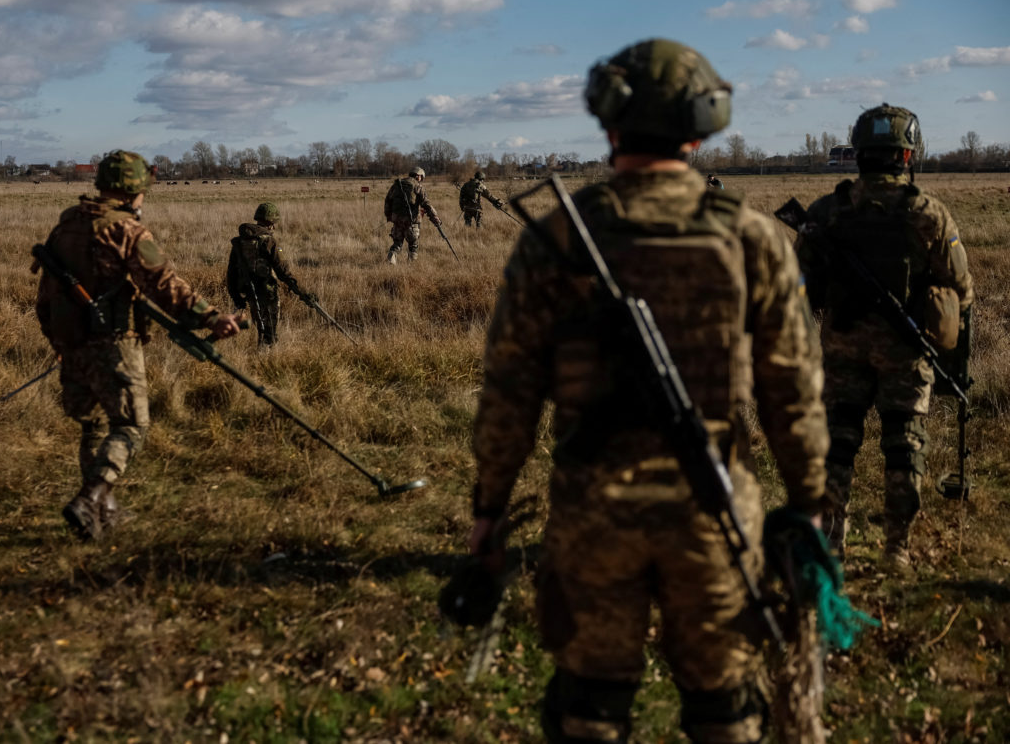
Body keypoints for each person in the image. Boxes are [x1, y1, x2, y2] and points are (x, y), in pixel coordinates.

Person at [467, 39, 828, 743]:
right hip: (715, 514)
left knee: (589, 708)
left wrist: (490, 507)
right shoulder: (751, 236)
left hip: (592, 515)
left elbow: (509, 390)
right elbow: (794, 387)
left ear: (609, 124)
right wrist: (808, 502)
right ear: (701, 130)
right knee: (726, 712)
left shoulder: (557, 236)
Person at [795, 104, 973, 568]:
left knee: (837, 445)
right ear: (908, 155)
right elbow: (961, 290)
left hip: (842, 348)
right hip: (906, 353)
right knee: (904, 445)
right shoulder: (929, 214)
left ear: (858, 152)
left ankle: (830, 543)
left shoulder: (826, 212)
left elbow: (799, 287)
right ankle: (897, 547)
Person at [33, 150, 241, 540]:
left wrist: (57, 341)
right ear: (133, 190)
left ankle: (100, 516)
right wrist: (212, 317)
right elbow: (163, 284)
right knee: (130, 425)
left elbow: (45, 295)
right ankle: (89, 499)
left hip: (72, 343)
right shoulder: (126, 230)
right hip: (113, 343)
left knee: (94, 427)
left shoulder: (67, 226)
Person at [227, 202, 308, 347]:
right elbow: (282, 270)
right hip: (267, 291)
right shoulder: (269, 241)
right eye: (274, 223)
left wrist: (235, 296)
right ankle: (267, 355)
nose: (274, 227)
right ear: (270, 222)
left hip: (249, 291)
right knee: (270, 331)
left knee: (261, 327)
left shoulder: (240, 242)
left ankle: (263, 351)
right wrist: (301, 291)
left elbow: (231, 272)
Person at [384, 166, 441, 263]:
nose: (421, 180)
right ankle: (412, 265)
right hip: (411, 221)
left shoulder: (397, 184)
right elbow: (426, 204)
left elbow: (388, 201)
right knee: (413, 245)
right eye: (421, 177)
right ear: (418, 176)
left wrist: (389, 216)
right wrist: (435, 217)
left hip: (397, 219)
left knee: (397, 243)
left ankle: (391, 259)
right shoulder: (418, 186)